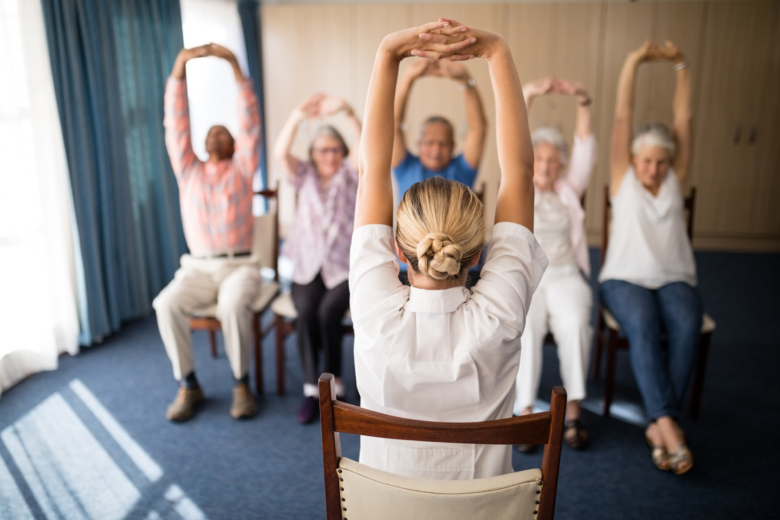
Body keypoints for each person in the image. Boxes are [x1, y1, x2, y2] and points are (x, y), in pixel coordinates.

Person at [349, 18, 547, 480]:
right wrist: (497, 51)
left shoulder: (374, 314)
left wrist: (388, 54)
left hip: (384, 512)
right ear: (476, 255)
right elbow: (520, 175)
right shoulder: (498, 318)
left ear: (399, 249)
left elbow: (370, 173)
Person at [599, 40, 699, 475]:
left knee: (686, 323)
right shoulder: (624, 178)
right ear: (634, 160)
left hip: (675, 275)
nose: (653, 169)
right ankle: (667, 425)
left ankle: (661, 422)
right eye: (646, 161)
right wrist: (634, 60)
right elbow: (622, 117)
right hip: (624, 277)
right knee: (642, 325)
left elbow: (685, 118)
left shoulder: (677, 180)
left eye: (661, 162)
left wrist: (680, 64)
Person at [154, 43, 262, 422]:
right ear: (200, 145)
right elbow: (175, 124)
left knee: (233, 305)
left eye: (223, 132)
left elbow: (249, 120)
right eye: (210, 132)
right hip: (197, 269)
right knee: (165, 304)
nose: (216, 134)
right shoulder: (189, 172)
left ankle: (241, 383)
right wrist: (179, 67)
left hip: (240, 266)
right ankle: (188, 384)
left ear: (235, 146)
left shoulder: (243, 169)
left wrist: (234, 63)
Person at [513, 77, 597, 453]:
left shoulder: (569, 188)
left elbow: (586, 148)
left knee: (577, 323)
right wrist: (527, 95)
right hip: (529, 277)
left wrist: (582, 100)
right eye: (539, 158)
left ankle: (575, 412)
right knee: (527, 327)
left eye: (552, 159)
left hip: (565, 274)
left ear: (561, 163)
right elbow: (514, 144)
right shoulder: (520, 186)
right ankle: (525, 411)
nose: (544, 166)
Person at [273, 93, 361, 424]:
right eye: (323, 150)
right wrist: (298, 115)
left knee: (328, 313)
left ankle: (335, 385)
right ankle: (313, 389)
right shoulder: (304, 174)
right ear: (313, 153)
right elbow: (281, 152)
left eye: (335, 149)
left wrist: (349, 112)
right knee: (306, 310)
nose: (329, 155)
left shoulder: (351, 174)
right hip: (307, 264)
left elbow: (367, 147)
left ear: (342, 152)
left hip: (343, 267)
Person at [392, 55, 487, 199]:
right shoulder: (406, 167)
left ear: (453, 146)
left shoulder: (462, 169)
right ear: (419, 144)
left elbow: (478, 129)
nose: (436, 150)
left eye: (443, 144)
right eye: (430, 143)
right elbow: (393, 126)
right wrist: (407, 78)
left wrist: (465, 80)